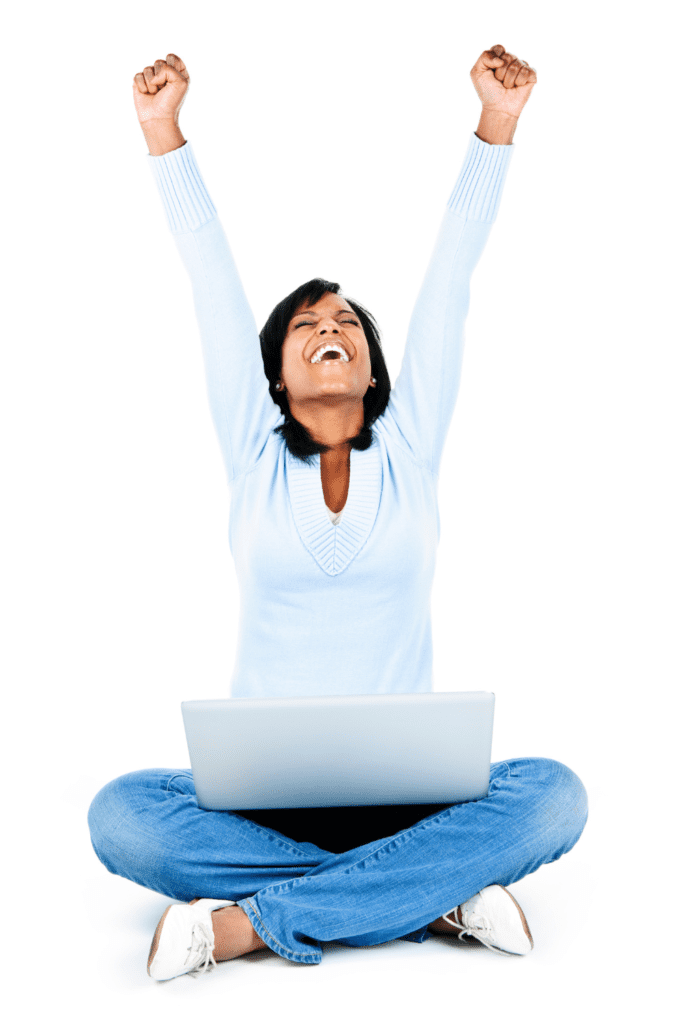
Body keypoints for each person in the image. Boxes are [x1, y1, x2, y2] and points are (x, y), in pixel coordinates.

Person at [88, 45, 588, 981]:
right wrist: (162, 135)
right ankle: (430, 898)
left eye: (347, 324)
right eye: (308, 324)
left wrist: (496, 125)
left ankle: (243, 925)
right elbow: (210, 286)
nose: (330, 329)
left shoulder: (411, 449)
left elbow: (450, 280)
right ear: (273, 373)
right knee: (120, 813)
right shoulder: (251, 453)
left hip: (410, 801)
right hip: (260, 806)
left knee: (555, 796)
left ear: (371, 366)